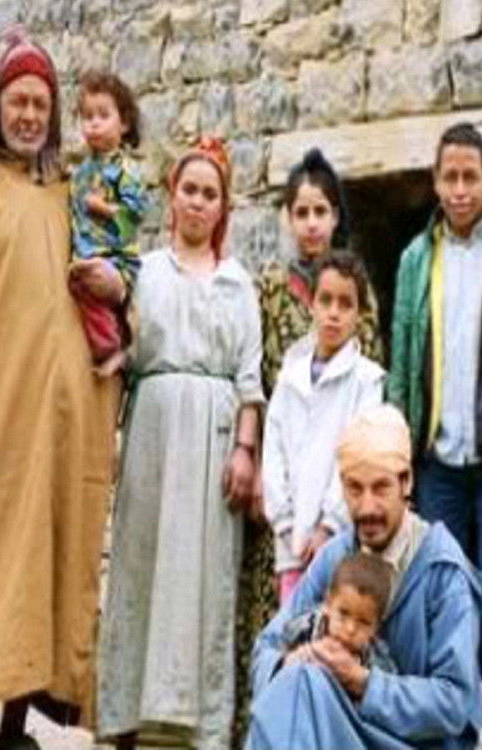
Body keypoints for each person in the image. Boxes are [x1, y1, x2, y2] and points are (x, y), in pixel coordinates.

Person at [97, 136, 264, 750]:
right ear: (171, 198)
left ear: (223, 207)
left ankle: (201, 727)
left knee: (206, 575)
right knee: (139, 565)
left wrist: (245, 449)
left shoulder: (237, 284)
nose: (197, 202)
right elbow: (120, 356)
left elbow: (250, 378)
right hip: (153, 431)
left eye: (209, 194)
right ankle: (125, 718)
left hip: (215, 436)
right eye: (188, 190)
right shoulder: (144, 273)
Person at [0, 27, 119, 750]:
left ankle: (22, 724)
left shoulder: (80, 197)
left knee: (55, 557)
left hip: (70, 416)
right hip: (3, 410)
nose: (30, 115)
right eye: (18, 102)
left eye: (40, 103)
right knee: (4, 557)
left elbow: (120, 275)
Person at [233, 147, 382, 747]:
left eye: (323, 211)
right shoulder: (273, 304)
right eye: (302, 211)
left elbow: (362, 437)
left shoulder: (364, 366)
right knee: (282, 626)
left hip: (335, 516)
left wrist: (329, 519)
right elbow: (271, 424)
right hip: (285, 512)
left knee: (334, 628)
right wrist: (282, 509)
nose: (312, 222)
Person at [246, 405, 482, 750]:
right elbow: (266, 649)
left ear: (407, 482)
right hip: (334, 731)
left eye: (380, 488)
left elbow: (454, 703)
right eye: (355, 489)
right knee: (299, 681)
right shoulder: (336, 556)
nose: (367, 507)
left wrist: (363, 682)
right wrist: (293, 660)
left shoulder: (443, 572)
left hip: (411, 744)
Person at [263, 251, 384, 602]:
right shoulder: (290, 376)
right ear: (311, 304)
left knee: (338, 621)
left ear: (359, 314)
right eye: (325, 300)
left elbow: (357, 458)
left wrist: (329, 526)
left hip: (340, 541)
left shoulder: (366, 382)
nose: (333, 313)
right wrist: (285, 523)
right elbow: (274, 452)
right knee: (295, 622)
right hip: (292, 544)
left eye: (345, 304)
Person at [388, 122, 482, 567]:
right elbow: (402, 361)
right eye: (451, 178)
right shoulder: (416, 259)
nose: (460, 191)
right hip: (437, 463)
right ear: (435, 181)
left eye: (471, 177)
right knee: (445, 580)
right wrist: (398, 454)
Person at [69, 69, 147, 377]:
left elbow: (135, 215)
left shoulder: (126, 170)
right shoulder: (81, 172)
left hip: (114, 257)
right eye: (88, 116)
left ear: (123, 123)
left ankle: (112, 343)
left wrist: (105, 209)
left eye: (103, 115)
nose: (94, 124)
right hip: (84, 252)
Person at [283, 552, 396, 677]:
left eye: (363, 622)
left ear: (376, 627)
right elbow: (277, 651)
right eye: (343, 614)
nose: (350, 629)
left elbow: (387, 682)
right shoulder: (303, 628)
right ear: (327, 604)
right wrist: (292, 659)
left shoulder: (377, 661)